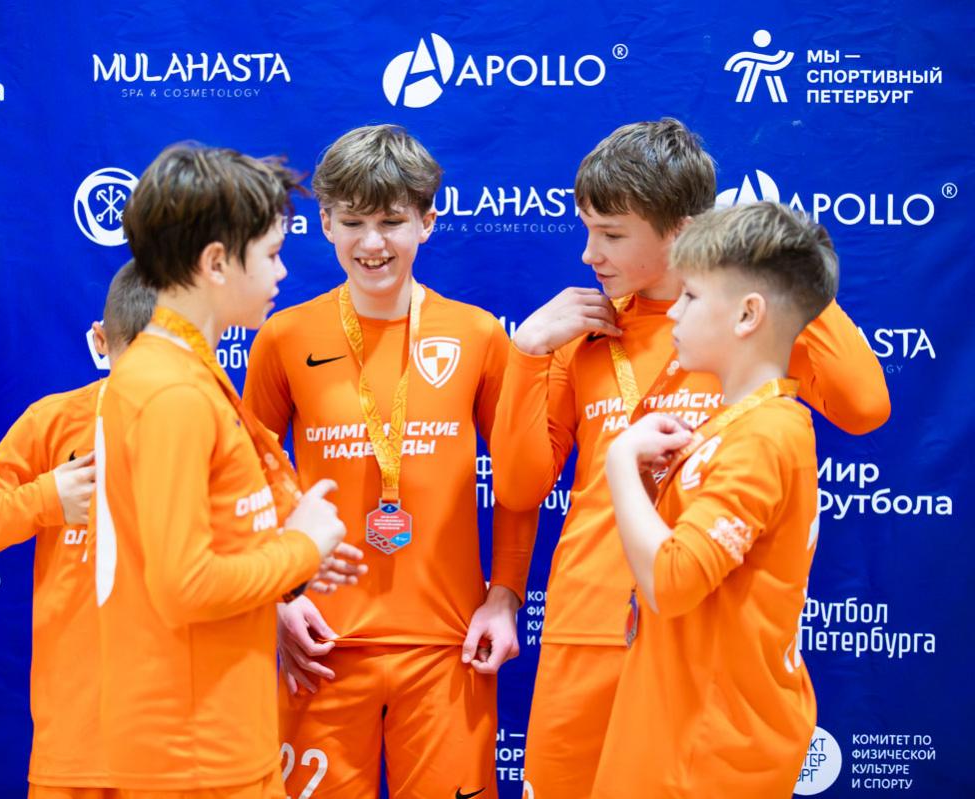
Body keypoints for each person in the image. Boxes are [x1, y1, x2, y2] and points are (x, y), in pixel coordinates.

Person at [490, 119, 890, 798]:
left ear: (681, 229)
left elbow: (865, 406)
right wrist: (527, 355)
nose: (589, 253)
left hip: (696, 643)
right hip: (586, 627)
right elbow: (520, 485)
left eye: (611, 234)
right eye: (586, 229)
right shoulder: (579, 330)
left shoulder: (750, 328)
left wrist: (779, 273)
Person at [244, 124, 538, 797]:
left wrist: (505, 595)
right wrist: (277, 599)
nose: (371, 243)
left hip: (449, 649)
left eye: (391, 222)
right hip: (319, 646)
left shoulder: (477, 334)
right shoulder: (284, 337)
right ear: (324, 223)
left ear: (427, 222)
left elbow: (520, 481)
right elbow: (245, 480)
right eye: (352, 222)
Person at [92, 143, 355, 798]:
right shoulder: (171, 391)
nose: (283, 272)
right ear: (215, 263)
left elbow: (207, 543)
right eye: (271, 254)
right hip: (192, 753)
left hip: (216, 732)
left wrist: (290, 557)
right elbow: (184, 584)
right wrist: (301, 548)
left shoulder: (177, 372)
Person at [594, 201, 835, 797]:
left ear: (748, 314)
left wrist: (619, 464)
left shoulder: (765, 435)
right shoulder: (740, 425)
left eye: (692, 296)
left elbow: (671, 582)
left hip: (707, 747)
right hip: (682, 719)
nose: (674, 310)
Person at [0, 261, 155, 798]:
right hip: (73, 755)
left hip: (184, 758)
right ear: (101, 342)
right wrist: (46, 499)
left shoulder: (221, 430)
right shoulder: (52, 423)